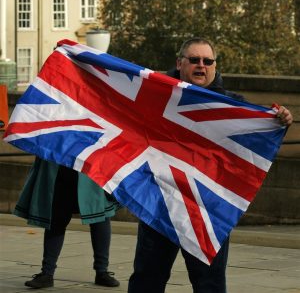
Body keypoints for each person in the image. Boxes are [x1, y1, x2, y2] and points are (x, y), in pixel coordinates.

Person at [128, 37, 293, 293]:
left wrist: (279, 120)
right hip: (160, 205)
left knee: (210, 285)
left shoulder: (231, 104)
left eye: (208, 61)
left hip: (206, 211)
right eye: (194, 60)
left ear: (215, 66)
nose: (201, 66)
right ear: (179, 63)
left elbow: (254, 136)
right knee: (147, 280)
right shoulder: (156, 96)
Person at [14, 157, 121, 289]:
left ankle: (102, 271)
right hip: (59, 166)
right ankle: (47, 273)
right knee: (57, 219)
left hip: (91, 165)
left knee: (100, 217)